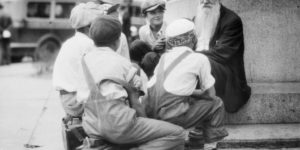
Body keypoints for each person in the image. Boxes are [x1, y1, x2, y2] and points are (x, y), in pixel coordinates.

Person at [81, 15, 187, 150]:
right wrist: (147, 122)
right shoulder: (124, 64)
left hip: (92, 126)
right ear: (118, 41)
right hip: (119, 126)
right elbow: (137, 103)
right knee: (177, 133)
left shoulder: (84, 60)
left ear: (92, 38)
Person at [145, 19, 228, 150]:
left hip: (151, 113)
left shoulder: (164, 58)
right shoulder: (199, 59)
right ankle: (210, 146)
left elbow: (166, 90)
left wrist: (191, 93)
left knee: (191, 98)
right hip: (171, 117)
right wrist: (198, 93)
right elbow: (211, 95)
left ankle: (195, 138)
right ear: (191, 38)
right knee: (216, 104)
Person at [194, 0, 251, 113]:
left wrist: (190, 56)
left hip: (226, 76)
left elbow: (221, 54)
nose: (205, 1)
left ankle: (202, 115)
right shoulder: (195, 20)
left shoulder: (231, 21)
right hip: (199, 70)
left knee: (200, 62)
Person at [52, 2, 108, 117]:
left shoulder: (71, 42)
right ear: (90, 27)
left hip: (68, 99)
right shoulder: (88, 44)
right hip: (76, 101)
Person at [139, 0, 167, 78]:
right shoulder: (143, 31)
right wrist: (152, 48)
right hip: (150, 64)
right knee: (137, 45)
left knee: (150, 56)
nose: (157, 15)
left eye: (160, 12)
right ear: (145, 15)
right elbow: (142, 56)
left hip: (167, 64)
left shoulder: (169, 29)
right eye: (153, 13)